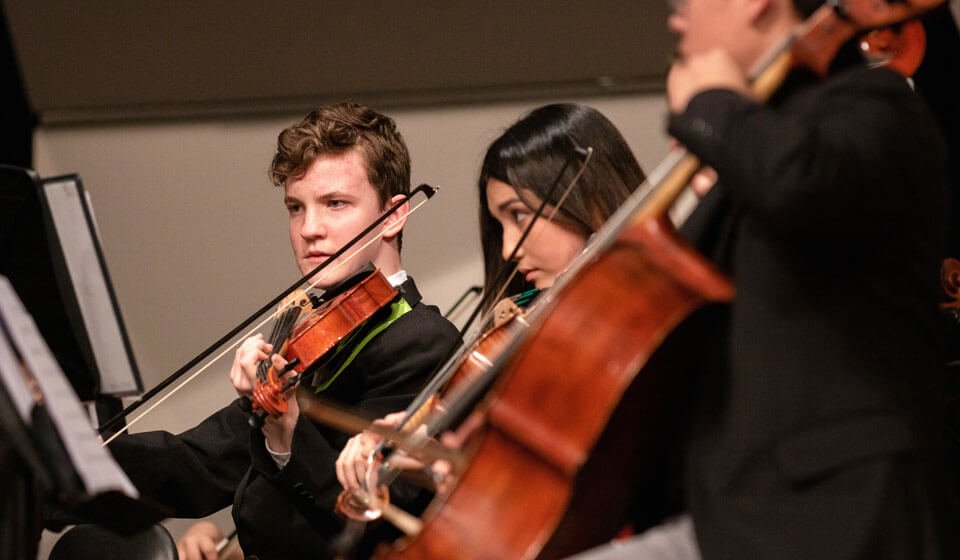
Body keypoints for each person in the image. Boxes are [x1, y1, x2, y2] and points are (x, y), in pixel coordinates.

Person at [572, 0, 960, 558]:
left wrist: (714, 105)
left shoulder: (876, 105)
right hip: (741, 513)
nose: (675, 19)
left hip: (834, 515)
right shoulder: (766, 139)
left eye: (685, 3)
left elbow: (802, 187)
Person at [104, 102, 461, 559]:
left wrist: (286, 429)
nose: (309, 229)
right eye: (296, 208)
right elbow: (202, 463)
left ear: (393, 215)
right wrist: (69, 465)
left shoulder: (422, 341)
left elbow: (373, 524)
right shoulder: (312, 328)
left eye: (335, 204)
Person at [335, 102, 649, 535]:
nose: (508, 249)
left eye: (519, 215)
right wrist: (426, 454)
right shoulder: (526, 327)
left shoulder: (641, 329)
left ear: (586, 199)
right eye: (501, 225)